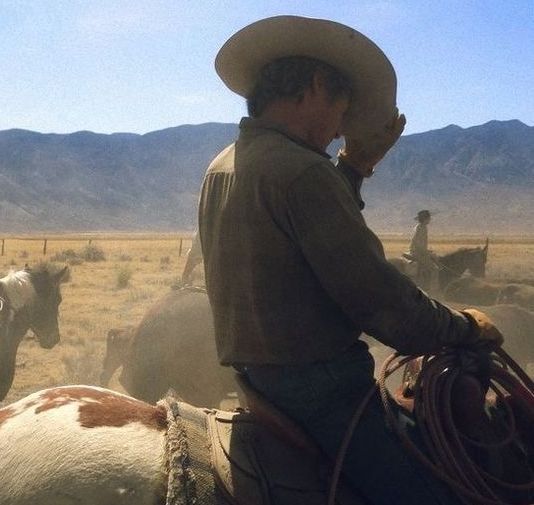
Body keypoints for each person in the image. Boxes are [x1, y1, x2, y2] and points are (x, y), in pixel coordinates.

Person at [198, 15, 504, 505]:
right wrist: (464, 327)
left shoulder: (224, 164)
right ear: (318, 86)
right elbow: (383, 304)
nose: (342, 126)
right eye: (343, 106)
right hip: (321, 389)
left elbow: (295, 232)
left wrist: (354, 168)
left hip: (259, 378)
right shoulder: (304, 171)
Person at [409, 209, 438, 290]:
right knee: (434, 269)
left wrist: (426, 250)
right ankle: (432, 289)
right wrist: (425, 251)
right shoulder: (421, 228)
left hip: (418, 250)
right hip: (417, 252)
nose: (430, 219)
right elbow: (417, 242)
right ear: (425, 219)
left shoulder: (421, 227)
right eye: (429, 218)